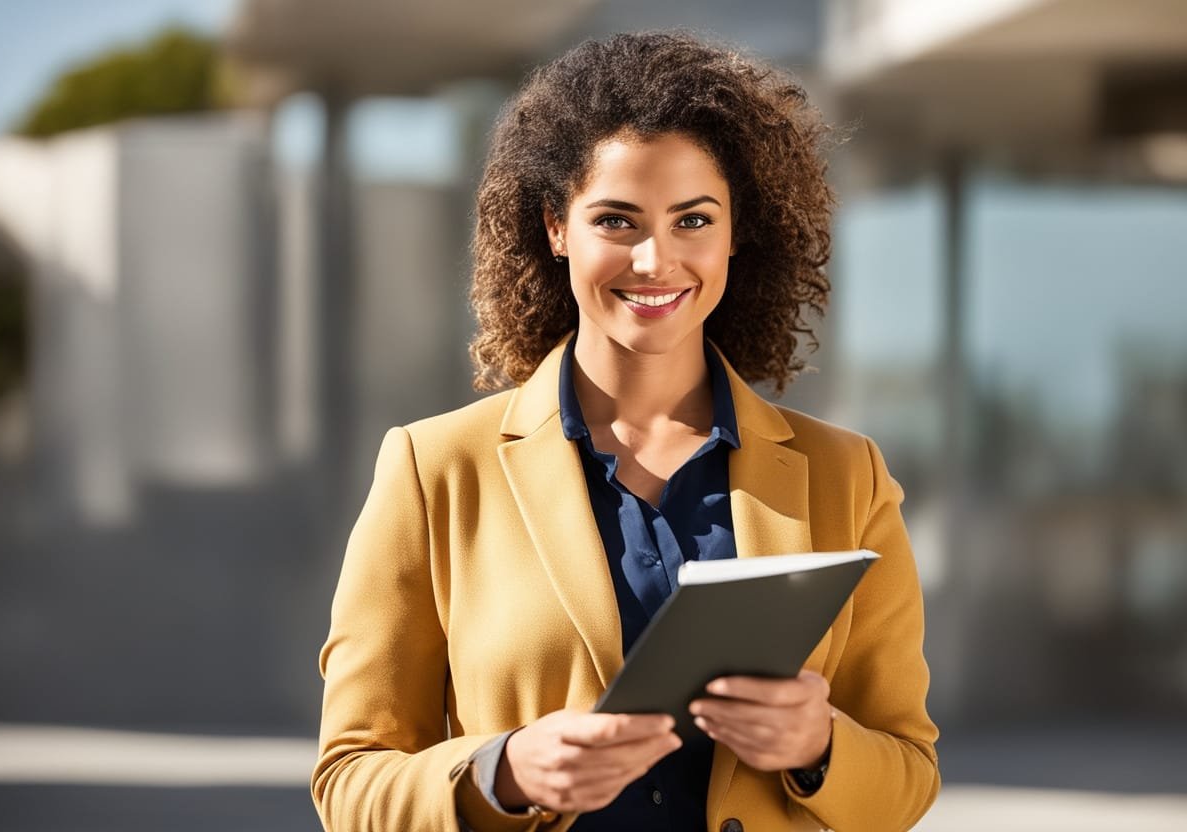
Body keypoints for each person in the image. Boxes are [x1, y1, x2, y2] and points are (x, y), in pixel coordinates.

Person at [312, 32, 939, 832]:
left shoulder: (845, 475)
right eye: (617, 220)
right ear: (555, 227)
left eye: (693, 220)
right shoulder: (434, 472)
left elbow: (909, 776)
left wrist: (819, 745)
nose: (656, 259)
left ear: (736, 232)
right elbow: (349, 781)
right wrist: (503, 771)